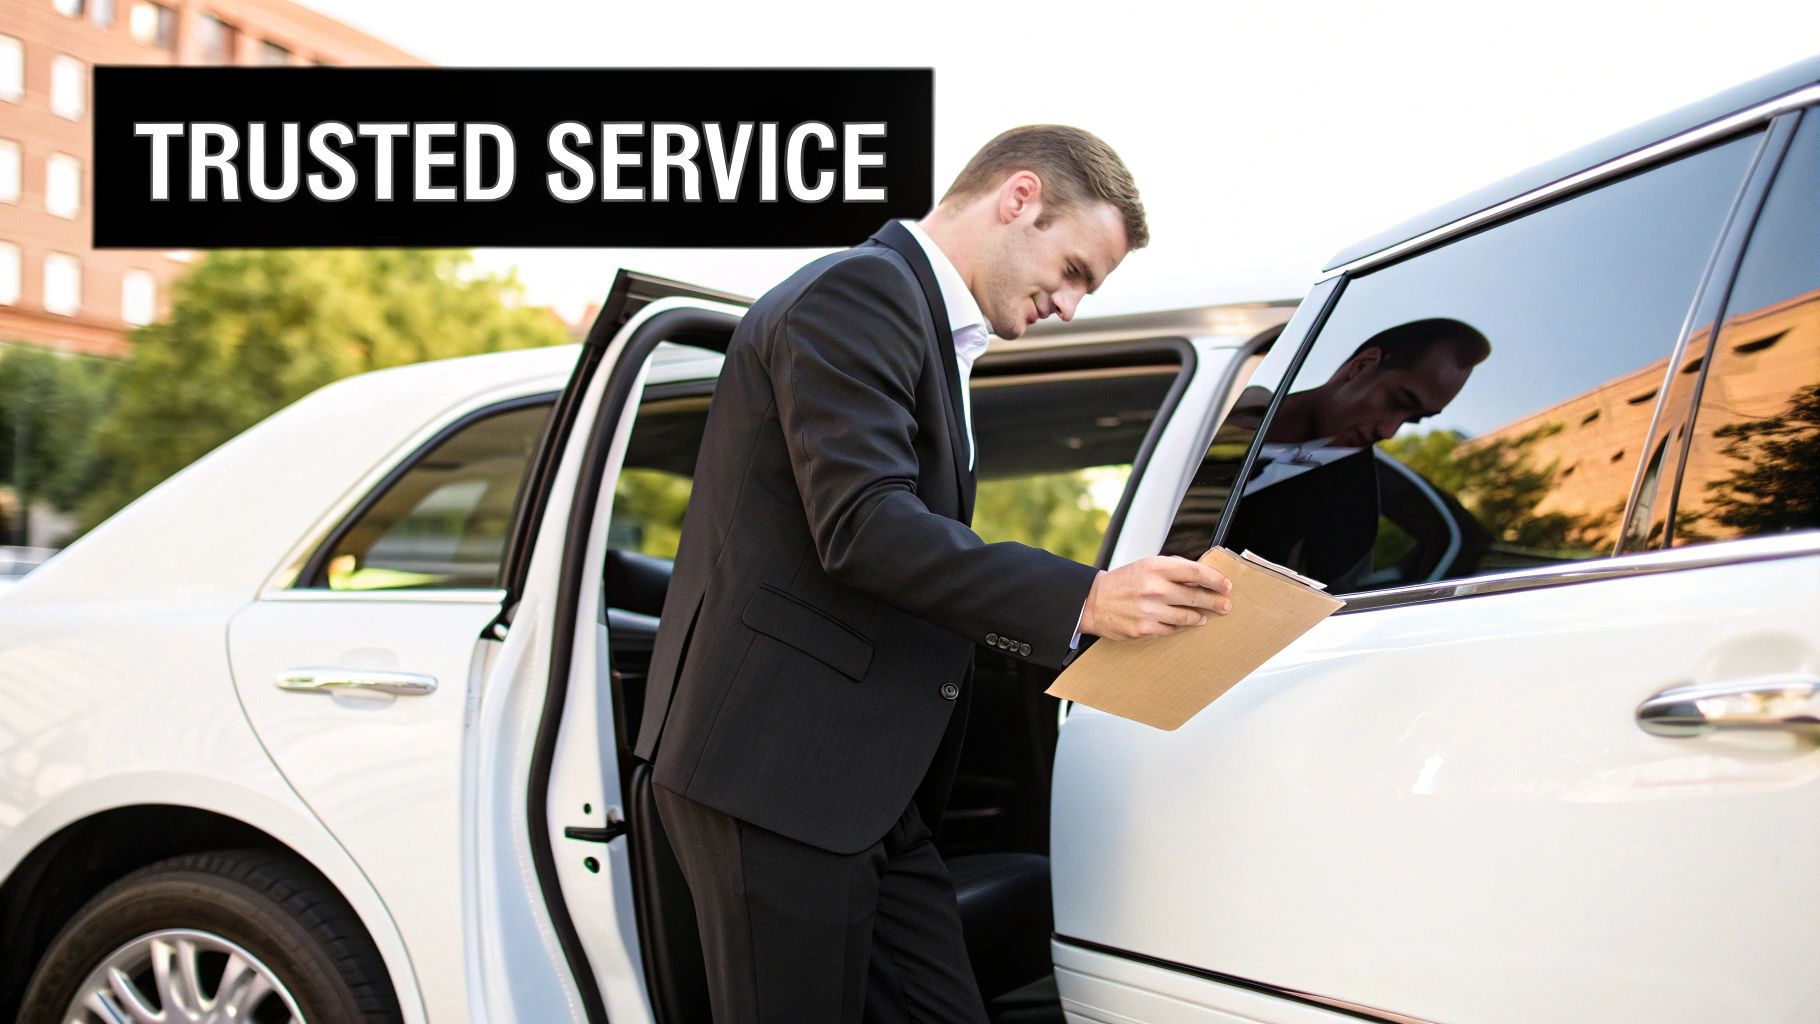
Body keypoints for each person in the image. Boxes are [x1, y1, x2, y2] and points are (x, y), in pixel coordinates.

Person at [632, 125, 1234, 1023]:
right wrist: (1090, 596)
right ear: (1019, 198)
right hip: (779, 777)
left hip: (865, 794)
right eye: (1074, 270)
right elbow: (866, 527)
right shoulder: (859, 291)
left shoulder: (919, 322)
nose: (1069, 305)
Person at [1186, 317, 1492, 584]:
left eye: (1414, 420)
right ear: (1361, 366)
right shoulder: (1212, 410)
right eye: (1398, 402)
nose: (1389, 432)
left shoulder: (1353, 521)